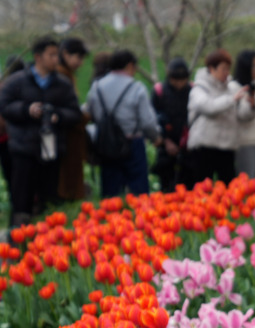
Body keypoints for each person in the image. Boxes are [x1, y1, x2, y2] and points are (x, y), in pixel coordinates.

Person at [0, 37, 82, 227]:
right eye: (51, 55)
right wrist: (26, 110)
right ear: (38, 57)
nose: (56, 59)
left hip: (51, 149)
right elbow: (4, 106)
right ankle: (19, 244)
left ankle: (48, 244)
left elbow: (74, 112)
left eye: (57, 54)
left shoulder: (63, 84)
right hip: (23, 148)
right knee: (22, 200)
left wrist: (58, 115)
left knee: (49, 199)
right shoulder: (17, 81)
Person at [86, 50, 161, 197]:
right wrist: (156, 137)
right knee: (139, 193)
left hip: (106, 145)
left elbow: (90, 112)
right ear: (130, 66)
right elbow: (147, 122)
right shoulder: (136, 88)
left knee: (110, 193)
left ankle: (109, 219)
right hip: (132, 143)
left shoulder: (97, 87)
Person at [186, 49, 249, 186]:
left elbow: (242, 115)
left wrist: (251, 104)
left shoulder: (232, 88)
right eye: (223, 69)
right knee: (203, 187)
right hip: (205, 146)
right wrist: (232, 99)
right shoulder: (199, 88)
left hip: (227, 147)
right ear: (211, 69)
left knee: (229, 188)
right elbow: (209, 107)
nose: (227, 73)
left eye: (228, 69)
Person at [151, 58, 191, 192]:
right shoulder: (159, 91)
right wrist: (165, 141)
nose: (179, 83)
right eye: (176, 80)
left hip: (189, 148)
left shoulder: (192, 90)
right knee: (167, 188)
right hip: (166, 148)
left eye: (183, 80)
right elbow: (153, 119)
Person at [56, 37, 88, 202]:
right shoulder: (61, 77)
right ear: (66, 54)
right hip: (66, 137)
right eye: (78, 57)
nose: (80, 63)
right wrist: (83, 117)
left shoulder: (67, 75)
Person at [0, 57, 25, 206]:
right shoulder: (7, 89)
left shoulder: (5, 87)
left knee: (13, 177)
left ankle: (17, 207)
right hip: (13, 139)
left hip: (7, 139)